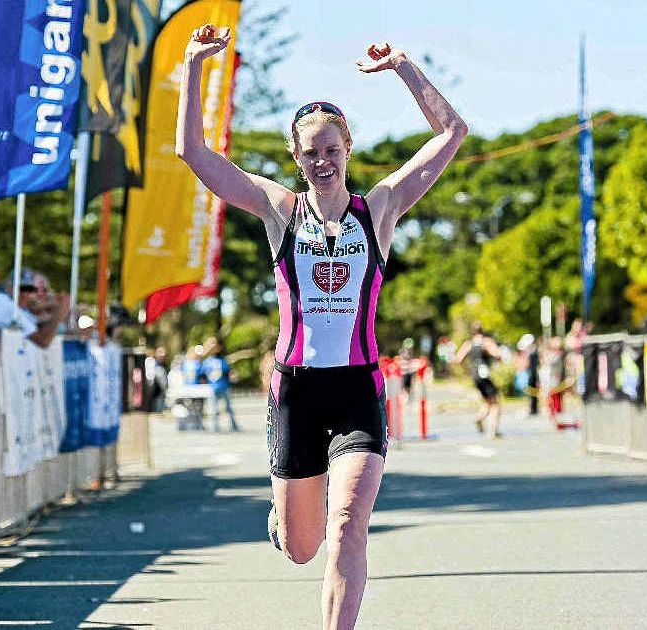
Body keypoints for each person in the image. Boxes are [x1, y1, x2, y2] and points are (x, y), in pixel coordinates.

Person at [175, 25, 467, 629]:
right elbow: (195, 155)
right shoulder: (279, 209)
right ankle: (284, 516)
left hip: (358, 386)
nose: (322, 161)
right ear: (296, 157)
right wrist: (195, 66)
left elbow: (451, 133)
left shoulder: (379, 207)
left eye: (332, 149)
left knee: (348, 525)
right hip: (296, 391)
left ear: (348, 149)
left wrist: (405, 69)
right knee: (304, 545)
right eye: (310, 151)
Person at [0, 268, 70, 348]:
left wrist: (53, 308)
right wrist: (58, 316)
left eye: (29, 289)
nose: (25, 294)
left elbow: (39, 325)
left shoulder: (13, 304)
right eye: (21, 289)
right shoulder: (7, 305)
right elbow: (43, 341)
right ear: (9, 287)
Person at [452, 325, 503, 438]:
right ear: (482, 331)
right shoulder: (486, 342)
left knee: (488, 401)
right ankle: (493, 431)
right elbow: (497, 354)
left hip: (475, 375)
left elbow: (458, 360)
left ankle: (479, 418)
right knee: (495, 403)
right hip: (484, 374)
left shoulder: (468, 344)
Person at [201, 340, 239, 431]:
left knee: (228, 408)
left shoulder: (222, 360)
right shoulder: (207, 361)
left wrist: (233, 376)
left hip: (223, 386)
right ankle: (214, 427)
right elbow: (202, 374)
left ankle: (234, 426)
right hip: (212, 387)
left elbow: (228, 372)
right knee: (213, 409)